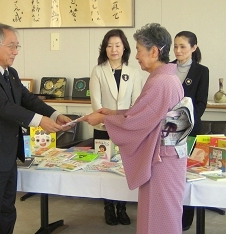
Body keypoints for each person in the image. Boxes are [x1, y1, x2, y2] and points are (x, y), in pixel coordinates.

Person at [80, 23, 192, 234]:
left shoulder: (161, 82)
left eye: (140, 49)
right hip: (166, 157)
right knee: (160, 215)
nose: (137, 55)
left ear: (154, 51)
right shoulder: (166, 78)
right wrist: (113, 113)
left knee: (158, 218)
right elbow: (143, 113)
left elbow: (136, 121)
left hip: (163, 159)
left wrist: (106, 119)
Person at [0, 23, 71, 234]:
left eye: (17, 46)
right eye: (11, 46)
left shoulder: (10, 73)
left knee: (7, 211)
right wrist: (39, 121)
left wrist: (54, 114)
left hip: (7, 156)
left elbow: (27, 99)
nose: (15, 51)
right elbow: (5, 108)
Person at [90, 29, 142, 226]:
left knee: (123, 168)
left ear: (124, 47)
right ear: (105, 48)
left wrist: (126, 122)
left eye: (118, 45)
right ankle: (108, 207)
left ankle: (122, 207)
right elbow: (96, 102)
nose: (114, 49)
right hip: (103, 128)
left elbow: (137, 101)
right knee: (105, 167)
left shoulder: (133, 71)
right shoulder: (98, 70)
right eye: (110, 45)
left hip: (127, 128)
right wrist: (109, 120)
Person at [172, 31, 209, 231]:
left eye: (183, 46)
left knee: (187, 175)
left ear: (193, 48)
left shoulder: (202, 71)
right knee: (171, 174)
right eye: (175, 46)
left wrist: (184, 121)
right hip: (168, 131)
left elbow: (201, 103)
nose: (178, 50)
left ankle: (186, 220)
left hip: (191, 131)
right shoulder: (167, 68)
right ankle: (171, 214)